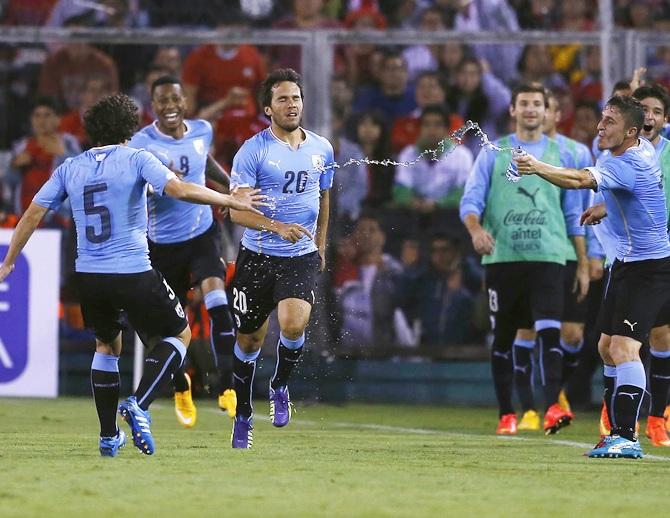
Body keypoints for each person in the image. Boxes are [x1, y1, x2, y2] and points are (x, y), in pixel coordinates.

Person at [0, 94, 265, 457]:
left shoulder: (69, 167)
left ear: (92, 131)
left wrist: (9, 260)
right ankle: (138, 403)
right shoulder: (138, 157)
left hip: (89, 276)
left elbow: (32, 214)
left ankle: (109, 437)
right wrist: (230, 199)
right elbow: (180, 189)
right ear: (129, 127)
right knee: (179, 334)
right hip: (132, 270)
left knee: (107, 346)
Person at [515, 95, 670, 459]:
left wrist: (537, 166)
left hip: (649, 268)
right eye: (602, 118)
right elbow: (636, 189)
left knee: (624, 348)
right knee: (604, 347)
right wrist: (606, 207)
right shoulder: (640, 146)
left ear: (630, 131)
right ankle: (616, 426)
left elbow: (576, 179)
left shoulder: (629, 161)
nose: (600, 127)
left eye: (610, 122)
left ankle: (625, 435)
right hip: (627, 264)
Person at [459, 83, 583, 436]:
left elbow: (573, 211)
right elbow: (471, 201)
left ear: (547, 111)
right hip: (503, 258)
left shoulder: (563, 154)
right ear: (513, 110)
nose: (531, 109)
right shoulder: (493, 151)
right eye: (524, 103)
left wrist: (584, 258)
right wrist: (475, 231)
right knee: (504, 337)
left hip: (549, 255)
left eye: (537, 104)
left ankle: (553, 407)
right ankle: (506, 413)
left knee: (549, 331)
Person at [228, 68, 334, 449]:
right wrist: (276, 226)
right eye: (283, 99)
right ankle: (242, 414)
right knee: (250, 341)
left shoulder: (322, 148)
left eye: (296, 98)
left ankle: (280, 385)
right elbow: (235, 212)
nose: (292, 105)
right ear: (268, 109)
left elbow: (323, 198)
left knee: (292, 324)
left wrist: (320, 245)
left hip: (299, 256)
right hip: (257, 256)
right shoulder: (252, 152)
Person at [128, 75, 239, 428]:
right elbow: (133, 187)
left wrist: (230, 188)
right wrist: (159, 183)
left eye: (175, 98)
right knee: (169, 328)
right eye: (162, 100)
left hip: (202, 233)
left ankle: (227, 385)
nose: (170, 106)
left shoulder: (202, 130)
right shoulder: (141, 143)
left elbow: (203, 162)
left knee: (217, 300)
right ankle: (181, 386)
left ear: (185, 101)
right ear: (153, 105)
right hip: (162, 244)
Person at [512, 89, 593, 432]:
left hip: (568, 252)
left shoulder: (572, 152)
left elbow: (583, 207)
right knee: (531, 327)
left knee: (572, 334)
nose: (541, 115)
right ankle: (538, 404)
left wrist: (590, 257)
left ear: (556, 114)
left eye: (547, 109)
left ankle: (555, 391)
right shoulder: (516, 153)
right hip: (533, 253)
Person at [393, 105, 473, 212]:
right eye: (426, 125)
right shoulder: (408, 154)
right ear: (420, 129)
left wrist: (438, 204)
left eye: (437, 125)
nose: (431, 130)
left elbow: (464, 193)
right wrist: (411, 202)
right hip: (414, 213)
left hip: (448, 214)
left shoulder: (462, 155)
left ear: (446, 129)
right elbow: (401, 190)